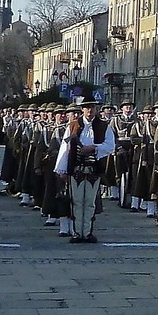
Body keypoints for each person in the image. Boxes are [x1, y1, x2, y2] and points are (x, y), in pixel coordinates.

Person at [54, 99, 116, 243]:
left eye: (92, 107)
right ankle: (77, 233)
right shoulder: (73, 126)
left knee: (89, 202)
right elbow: (65, 148)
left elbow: (110, 145)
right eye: (87, 107)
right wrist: (62, 169)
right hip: (76, 169)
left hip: (94, 170)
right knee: (76, 202)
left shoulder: (103, 126)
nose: (89, 110)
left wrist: (94, 147)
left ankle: (87, 232)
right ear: (82, 109)